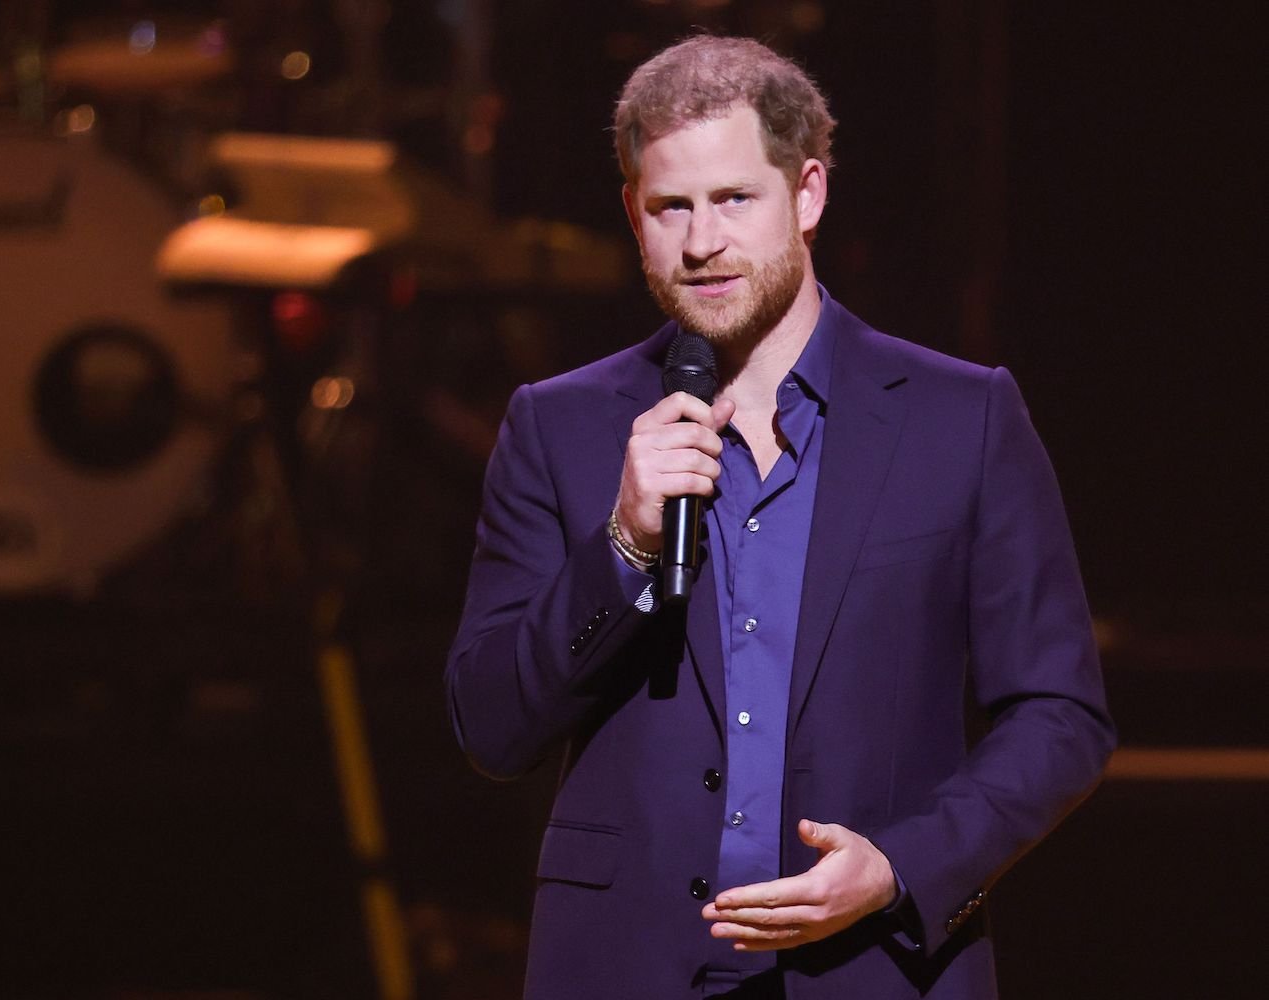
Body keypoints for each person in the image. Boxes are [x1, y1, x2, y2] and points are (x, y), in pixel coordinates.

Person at [445, 35, 1114, 1000]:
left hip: (873, 966)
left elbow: (1061, 716)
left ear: (806, 195)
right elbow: (491, 728)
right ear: (633, 214)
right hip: (627, 966)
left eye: (734, 200)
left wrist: (899, 867)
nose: (702, 241)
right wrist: (625, 544)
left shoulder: (958, 417)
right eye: (670, 206)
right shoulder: (561, 427)